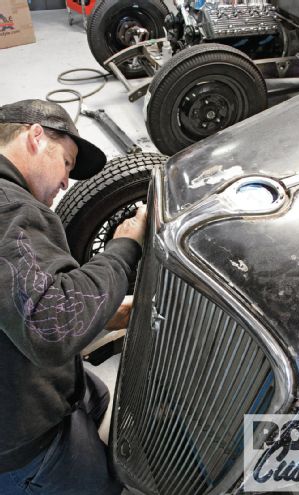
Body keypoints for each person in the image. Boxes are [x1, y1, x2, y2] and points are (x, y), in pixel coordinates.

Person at [0, 99, 146, 494]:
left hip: (37, 381)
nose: (66, 182)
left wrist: (121, 309)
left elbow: (19, 306)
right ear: (34, 137)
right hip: (26, 444)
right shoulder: (9, 207)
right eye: (66, 163)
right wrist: (123, 249)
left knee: (96, 397)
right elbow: (53, 324)